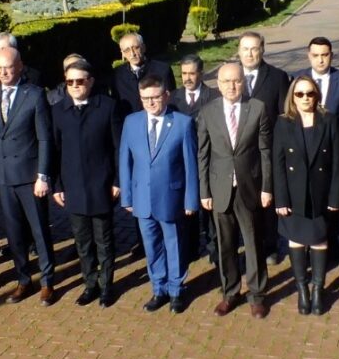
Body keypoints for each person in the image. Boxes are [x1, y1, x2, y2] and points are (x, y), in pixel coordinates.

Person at [0, 47, 56, 305]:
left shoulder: (34, 95)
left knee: (39, 231)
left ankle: (47, 281)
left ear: (20, 66)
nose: (3, 72)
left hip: (30, 178)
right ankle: (24, 280)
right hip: (2, 178)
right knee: (14, 233)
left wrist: (43, 175)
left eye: (8, 67)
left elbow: (45, 138)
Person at [198, 61, 274, 319]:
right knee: (226, 245)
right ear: (218, 85)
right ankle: (230, 292)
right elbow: (203, 155)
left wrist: (266, 187)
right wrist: (204, 191)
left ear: (244, 82)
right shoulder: (208, 112)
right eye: (226, 81)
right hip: (219, 189)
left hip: (249, 187)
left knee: (253, 243)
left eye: (237, 80)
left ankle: (257, 295)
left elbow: (265, 151)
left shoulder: (258, 108)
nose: (232, 86)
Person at [119, 74, 199, 314]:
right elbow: (125, 161)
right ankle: (159, 289)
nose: (150, 103)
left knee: (173, 245)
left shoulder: (182, 123)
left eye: (155, 97)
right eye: (145, 98)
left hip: (171, 198)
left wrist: (191, 200)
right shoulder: (131, 122)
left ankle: (176, 290)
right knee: (152, 246)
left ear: (166, 95)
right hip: (142, 199)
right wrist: (127, 197)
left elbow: (190, 165)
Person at [51, 60, 122, 307]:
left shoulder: (107, 107)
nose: (74, 86)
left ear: (90, 81)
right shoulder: (58, 111)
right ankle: (90, 284)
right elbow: (55, 151)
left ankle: (107, 286)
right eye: (69, 81)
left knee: (104, 241)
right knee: (83, 242)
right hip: (73, 188)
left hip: (101, 185)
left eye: (79, 81)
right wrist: (57, 185)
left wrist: (117, 180)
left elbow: (117, 148)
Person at [273, 75, 339, 316]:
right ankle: (302, 289)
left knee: (319, 240)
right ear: (292, 97)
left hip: (320, 194)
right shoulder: (283, 123)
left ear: (317, 95)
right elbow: (278, 164)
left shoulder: (329, 120)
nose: (305, 98)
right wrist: (280, 199)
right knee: (296, 240)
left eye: (310, 93)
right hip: (294, 196)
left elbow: (338, 162)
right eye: (299, 94)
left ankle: (317, 289)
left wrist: (336, 197)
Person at [238, 31, 289, 265]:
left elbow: (283, 115)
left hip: (267, 150)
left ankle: (270, 246)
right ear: (239, 51)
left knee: (267, 198)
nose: (250, 53)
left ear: (262, 49)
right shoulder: (232, 77)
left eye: (254, 48)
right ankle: (247, 244)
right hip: (240, 151)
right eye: (245, 49)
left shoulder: (278, 77)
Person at [169, 54, 220, 263]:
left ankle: (215, 250)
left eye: (191, 73)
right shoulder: (172, 99)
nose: (187, 78)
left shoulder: (215, 96)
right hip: (183, 163)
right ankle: (190, 249)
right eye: (184, 74)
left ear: (201, 73)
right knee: (187, 209)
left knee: (211, 209)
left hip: (210, 160)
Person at [111, 33, 175, 116]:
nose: (132, 53)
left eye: (136, 48)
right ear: (123, 53)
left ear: (144, 48)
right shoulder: (118, 74)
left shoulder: (162, 70)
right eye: (127, 50)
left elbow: (171, 100)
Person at [294, 37, 339, 114]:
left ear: (331, 55)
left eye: (325, 55)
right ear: (309, 56)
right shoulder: (296, 79)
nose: (320, 60)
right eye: (315, 55)